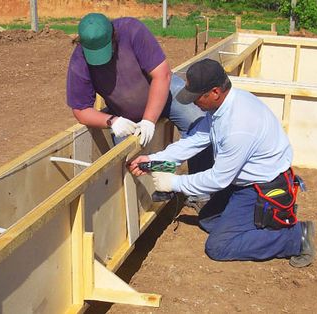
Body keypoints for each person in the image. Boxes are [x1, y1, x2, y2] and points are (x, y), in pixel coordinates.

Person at [129, 59, 316, 267]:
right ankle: (268, 219)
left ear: (215, 92)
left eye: (196, 97)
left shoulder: (239, 126)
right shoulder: (223, 107)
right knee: (208, 220)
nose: (192, 103)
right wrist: (154, 160)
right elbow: (196, 140)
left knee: (219, 246)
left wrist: (174, 183)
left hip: (260, 187)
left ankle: (295, 237)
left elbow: (219, 179)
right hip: (241, 182)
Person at [66, 13, 212, 208]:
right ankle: (165, 181)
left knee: (198, 123)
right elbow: (81, 109)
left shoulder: (131, 30)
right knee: (130, 157)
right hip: (126, 113)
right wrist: (112, 121)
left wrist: (149, 120)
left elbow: (162, 75)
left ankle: (200, 193)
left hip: (165, 94)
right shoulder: (79, 60)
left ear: (113, 36)